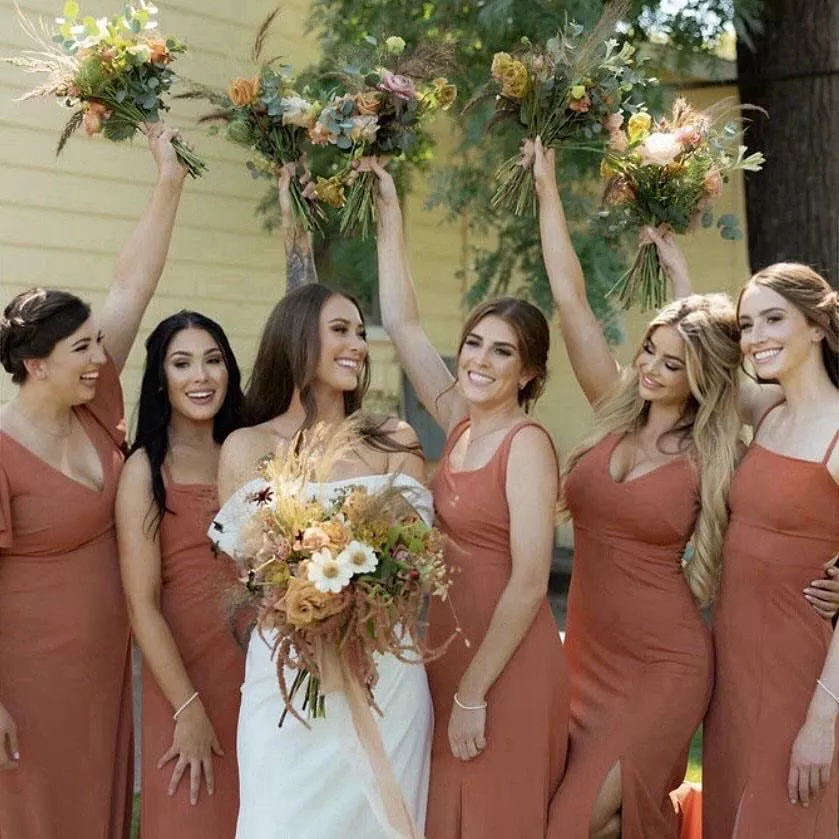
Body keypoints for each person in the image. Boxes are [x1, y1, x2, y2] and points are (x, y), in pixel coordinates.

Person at [532, 137, 742, 839]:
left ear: (700, 377)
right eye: (650, 349)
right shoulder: (613, 409)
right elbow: (571, 301)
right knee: (589, 821)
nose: (650, 367)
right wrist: (546, 189)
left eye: (672, 363)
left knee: (571, 823)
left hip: (664, 665)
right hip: (585, 656)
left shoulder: (714, 456)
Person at [372, 159, 569, 839]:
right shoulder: (458, 418)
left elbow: (530, 582)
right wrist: (389, 209)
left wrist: (473, 691)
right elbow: (402, 323)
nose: (479, 360)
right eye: (474, 344)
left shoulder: (527, 444)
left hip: (505, 664)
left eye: (501, 351)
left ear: (529, 371)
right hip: (448, 648)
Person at [0, 125, 187, 838]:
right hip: (26, 681)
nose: (99, 359)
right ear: (36, 364)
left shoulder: (94, 403)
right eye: (82, 348)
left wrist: (168, 179)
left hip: (103, 671)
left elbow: (132, 283)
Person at [211, 283, 433, 839]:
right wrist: (307, 594)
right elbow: (252, 572)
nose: (357, 343)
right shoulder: (247, 447)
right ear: (297, 337)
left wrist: (358, 593)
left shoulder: (394, 440)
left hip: (384, 672)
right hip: (289, 673)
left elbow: (412, 562)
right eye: (340, 330)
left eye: (360, 332)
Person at [700, 264, 839, 838]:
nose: (756, 338)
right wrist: (675, 263)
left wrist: (822, 721)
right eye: (747, 325)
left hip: (800, 678)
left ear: (818, 327)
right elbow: (703, 356)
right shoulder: (768, 410)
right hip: (732, 671)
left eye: (774, 319)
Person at [116, 311, 245, 837]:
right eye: (182, 363)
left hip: (258, 675)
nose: (201, 376)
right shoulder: (145, 469)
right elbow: (140, 604)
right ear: (160, 378)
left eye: (213, 360)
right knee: (192, 815)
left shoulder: (249, 450)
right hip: (186, 680)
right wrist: (187, 708)